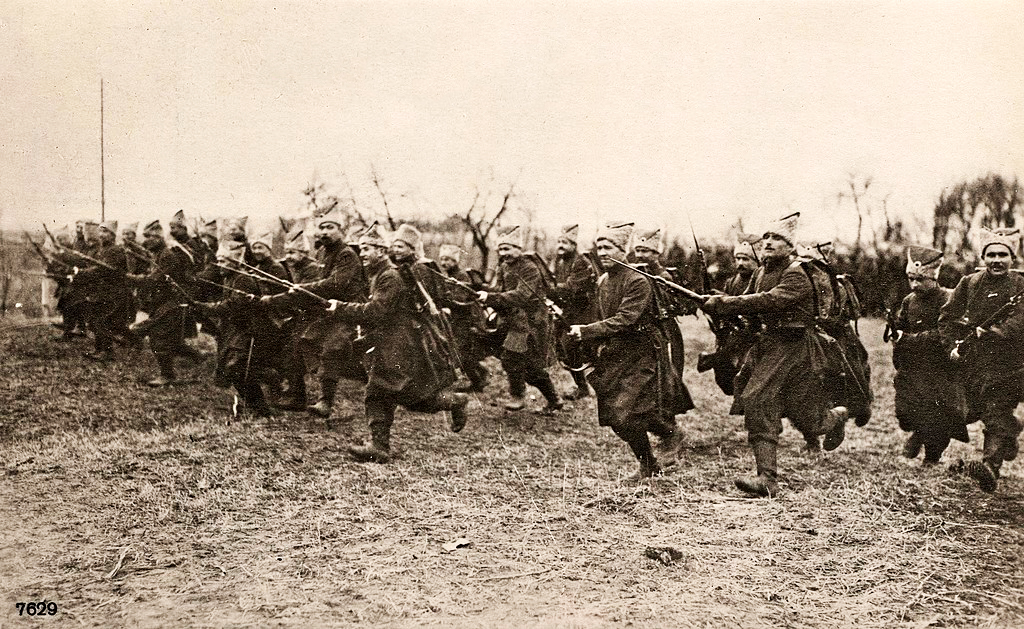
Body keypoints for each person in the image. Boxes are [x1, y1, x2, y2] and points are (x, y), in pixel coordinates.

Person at [701, 213, 849, 497]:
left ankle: (768, 478)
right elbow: (748, 305)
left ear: (790, 245)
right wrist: (717, 306)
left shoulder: (796, 273)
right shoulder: (760, 273)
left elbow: (768, 300)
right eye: (766, 237)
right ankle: (831, 421)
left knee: (764, 401)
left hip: (795, 346)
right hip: (770, 345)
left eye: (777, 238)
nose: (768, 242)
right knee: (791, 409)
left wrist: (723, 304)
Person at [326, 223, 469, 463]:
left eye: (367, 249)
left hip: (399, 343)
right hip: (392, 341)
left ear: (381, 250)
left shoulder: (389, 276)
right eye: (361, 249)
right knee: (406, 396)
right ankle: (454, 402)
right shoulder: (380, 274)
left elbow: (376, 311)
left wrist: (341, 308)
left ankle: (380, 446)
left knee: (381, 391)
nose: (362, 253)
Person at [569, 221, 689, 481]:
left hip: (642, 353)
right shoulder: (603, 281)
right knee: (616, 415)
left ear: (623, 250)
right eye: (600, 247)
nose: (603, 252)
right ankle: (654, 458)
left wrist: (587, 331)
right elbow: (601, 316)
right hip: (615, 353)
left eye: (609, 247)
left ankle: (664, 441)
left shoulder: (638, 281)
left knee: (625, 412)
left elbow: (626, 319)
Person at [261, 207, 368, 419]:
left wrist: (303, 289)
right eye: (321, 228)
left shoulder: (347, 254)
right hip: (327, 309)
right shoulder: (321, 252)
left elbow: (335, 284)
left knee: (332, 347)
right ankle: (297, 396)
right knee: (298, 341)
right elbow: (320, 284)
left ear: (341, 230)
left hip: (348, 311)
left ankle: (326, 401)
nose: (324, 232)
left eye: (330, 227)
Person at [939, 227, 1024, 492]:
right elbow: (947, 318)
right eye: (991, 255)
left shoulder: (1020, 285)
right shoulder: (970, 283)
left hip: (1011, 363)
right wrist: (952, 346)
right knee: (971, 411)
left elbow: (1020, 320)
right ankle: (1010, 433)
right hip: (974, 363)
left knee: (995, 410)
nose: (997, 260)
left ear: (1013, 258)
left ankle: (990, 467)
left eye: (1003, 255)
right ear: (983, 257)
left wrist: (994, 333)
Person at [891, 245, 967, 466]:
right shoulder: (909, 301)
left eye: (920, 280)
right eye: (911, 279)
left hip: (940, 368)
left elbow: (945, 334)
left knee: (938, 413)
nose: (914, 285)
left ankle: (931, 457)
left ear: (934, 277)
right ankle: (918, 432)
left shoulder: (947, 299)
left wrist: (908, 339)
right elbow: (902, 325)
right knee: (906, 410)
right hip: (913, 366)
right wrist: (895, 333)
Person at [477, 225, 563, 413]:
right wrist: (481, 290)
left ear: (518, 248)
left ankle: (518, 395)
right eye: (500, 249)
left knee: (513, 358)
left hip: (531, 322)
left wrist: (490, 298)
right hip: (512, 321)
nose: (503, 253)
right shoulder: (504, 267)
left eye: (507, 248)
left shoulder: (529, 268)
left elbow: (521, 295)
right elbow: (500, 291)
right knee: (530, 367)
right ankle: (554, 399)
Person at [193, 238, 277, 417]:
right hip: (236, 329)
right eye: (218, 261)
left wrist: (206, 307)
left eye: (223, 261)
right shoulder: (229, 277)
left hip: (248, 330)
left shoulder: (242, 279)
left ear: (233, 262)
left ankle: (262, 407)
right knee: (237, 370)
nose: (219, 265)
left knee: (237, 369)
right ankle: (260, 402)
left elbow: (233, 305)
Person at [129, 218, 204, 386]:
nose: (147, 240)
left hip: (173, 302)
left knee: (159, 338)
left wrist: (129, 278)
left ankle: (167, 375)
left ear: (159, 238)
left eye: (150, 237)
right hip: (164, 302)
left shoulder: (167, 256)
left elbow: (153, 280)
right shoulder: (159, 254)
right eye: (145, 237)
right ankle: (198, 358)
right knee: (172, 340)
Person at [698, 234, 761, 395]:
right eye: (738, 258)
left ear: (757, 261)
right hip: (731, 338)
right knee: (727, 382)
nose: (740, 263)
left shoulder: (760, 281)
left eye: (746, 259)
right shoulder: (732, 282)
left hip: (753, 339)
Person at [73, 220, 136, 362]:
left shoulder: (116, 250)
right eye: (100, 231)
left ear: (113, 235)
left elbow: (102, 269)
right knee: (96, 320)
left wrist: (81, 273)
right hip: (102, 291)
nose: (101, 235)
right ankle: (99, 349)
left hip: (113, 292)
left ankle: (107, 352)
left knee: (103, 321)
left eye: (105, 232)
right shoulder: (103, 249)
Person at [549, 224, 598, 400]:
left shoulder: (581, 261)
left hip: (586, 311)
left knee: (581, 349)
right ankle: (582, 386)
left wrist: (547, 289)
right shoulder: (560, 261)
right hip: (569, 311)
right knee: (565, 349)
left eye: (565, 242)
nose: (560, 246)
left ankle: (592, 386)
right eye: (559, 242)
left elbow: (571, 288)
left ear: (573, 244)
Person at [438, 243, 490, 392]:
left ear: (455, 260)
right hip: (456, 319)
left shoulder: (461, 276)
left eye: (448, 259)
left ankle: (479, 378)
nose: (444, 263)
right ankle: (480, 376)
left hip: (467, 319)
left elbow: (460, 299)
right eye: (442, 259)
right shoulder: (448, 276)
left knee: (460, 353)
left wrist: (445, 301)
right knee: (462, 353)